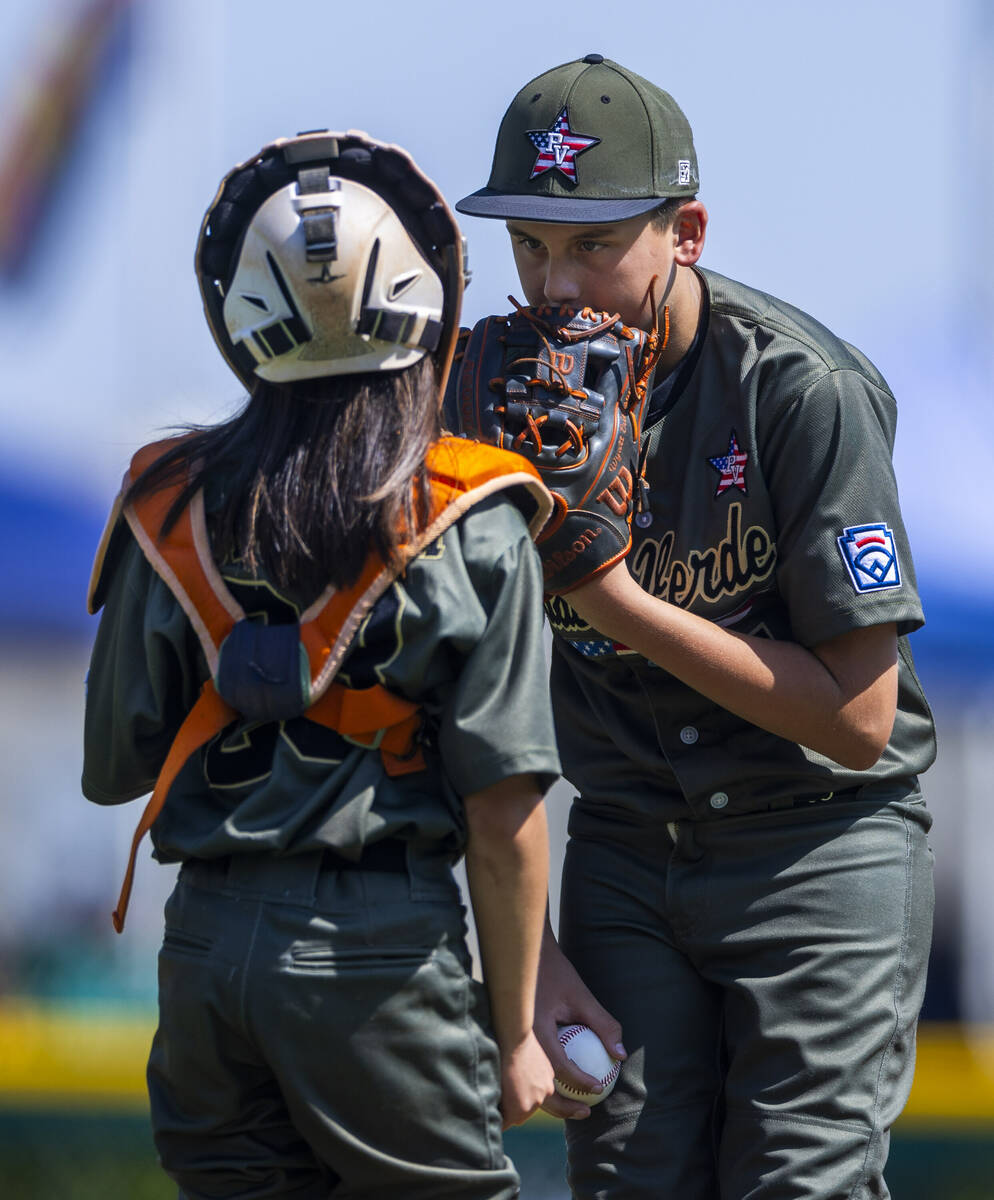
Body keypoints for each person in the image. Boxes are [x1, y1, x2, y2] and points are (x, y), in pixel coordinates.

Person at [451, 56, 936, 1200]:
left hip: (817, 842)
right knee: (628, 1185)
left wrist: (614, 603)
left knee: (795, 1185)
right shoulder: (486, 402)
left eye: (592, 242)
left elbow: (859, 722)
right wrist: (530, 960)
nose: (553, 280)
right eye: (527, 243)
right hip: (625, 847)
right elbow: (446, 711)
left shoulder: (797, 389)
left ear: (688, 230)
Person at [82, 129, 562, 1199]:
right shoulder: (475, 517)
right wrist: (518, 1027)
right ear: (424, 301)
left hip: (205, 952)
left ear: (241, 319)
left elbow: (116, 766)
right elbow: (505, 814)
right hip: (374, 956)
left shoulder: (163, 502)